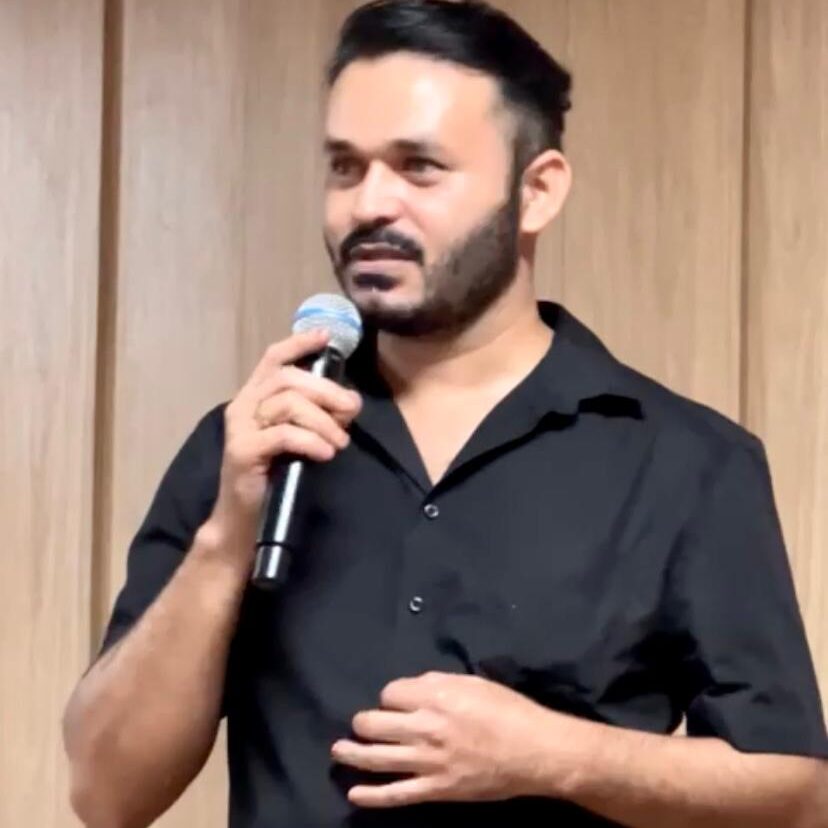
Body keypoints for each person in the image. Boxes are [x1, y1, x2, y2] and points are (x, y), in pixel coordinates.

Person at [63, 1, 828, 826]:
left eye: (419, 167)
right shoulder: (252, 444)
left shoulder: (686, 462)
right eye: (346, 168)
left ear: (536, 191)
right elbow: (106, 794)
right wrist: (225, 540)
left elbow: (793, 795)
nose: (369, 205)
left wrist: (555, 755)